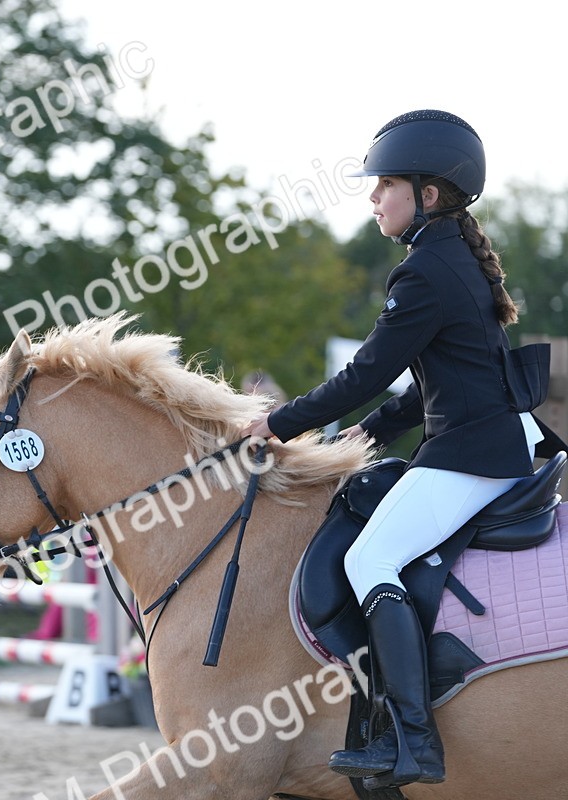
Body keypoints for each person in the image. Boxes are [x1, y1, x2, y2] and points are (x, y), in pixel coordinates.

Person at [241, 110, 548, 789]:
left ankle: (412, 740)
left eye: (384, 185)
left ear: (427, 194)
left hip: (471, 454)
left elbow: (366, 372)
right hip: (487, 441)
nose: (374, 197)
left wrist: (278, 424)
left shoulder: (423, 271)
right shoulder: (451, 258)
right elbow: (446, 376)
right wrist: (377, 429)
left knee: (369, 556)